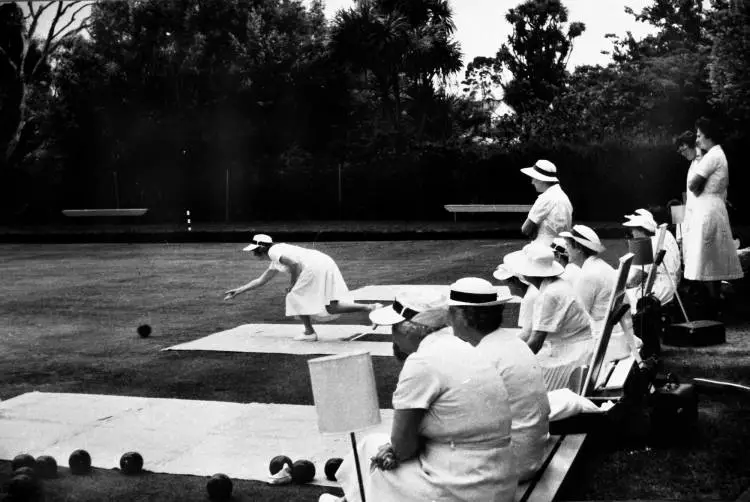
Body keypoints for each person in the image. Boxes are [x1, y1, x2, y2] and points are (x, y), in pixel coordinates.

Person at [324, 282, 518, 502]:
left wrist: (393, 449)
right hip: (497, 476)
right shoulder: (464, 347)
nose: (393, 335)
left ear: (409, 328)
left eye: (394, 327)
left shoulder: (422, 361)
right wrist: (395, 447)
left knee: (375, 458)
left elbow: (403, 446)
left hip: (463, 484)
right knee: (374, 445)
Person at [450, 278, 551, 482]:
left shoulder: (480, 357)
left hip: (510, 466)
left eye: (451, 313)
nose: (449, 320)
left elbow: (460, 423)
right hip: (531, 454)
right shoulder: (512, 343)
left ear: (462, 316)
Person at [224, 234, 381, 341]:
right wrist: (238, 290)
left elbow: (294, 264)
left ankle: (309, 332)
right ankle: (371, 307)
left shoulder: (273, 251)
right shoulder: (276, 257)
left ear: (262, 248)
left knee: (293, 296)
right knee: (331, 306)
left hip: (314, 266)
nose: (254, 254)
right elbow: (260, 280)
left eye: (254, 251)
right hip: (325, 262)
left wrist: (293, 284)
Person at [503, 243, 593, 392]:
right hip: (573, 350)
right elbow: (532, 333)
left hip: (573, 357)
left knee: (515, 381)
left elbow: (535, 343)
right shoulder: (554, 286)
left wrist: (510, 361)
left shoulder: (549, 294)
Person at [680, 118, 743, 314]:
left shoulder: (713, 156)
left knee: (708, 259)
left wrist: (700, 189)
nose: (697, 139)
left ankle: (714, 306)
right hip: (707, 209)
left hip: (708, 211)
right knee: (708, 261)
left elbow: (693, 186)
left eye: (699, 135)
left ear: (708, 135)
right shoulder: (713, 155)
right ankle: (713, 304)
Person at [560, 225, 639, 363]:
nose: (566, 250)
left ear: (578, 248)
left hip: (606, 340)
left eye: (568, 245)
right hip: (616, 333)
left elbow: (577, 317)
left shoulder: (588, 275)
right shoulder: (599, 265)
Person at [623, 210, 681, 314]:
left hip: (660, 289)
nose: (632, 233)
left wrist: (619, 281)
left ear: (641, 229)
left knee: (622, 299)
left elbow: (634, 280)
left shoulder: (647, 244)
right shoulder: (666, 233)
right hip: (672, 285)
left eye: (633, 230)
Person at [520, 160, 573, 246]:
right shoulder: (564, 197)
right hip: (564, 247)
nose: (532, 182)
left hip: (544, 249)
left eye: (534, 178)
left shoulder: (545, 198)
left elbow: (526, 229)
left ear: (541, 180)